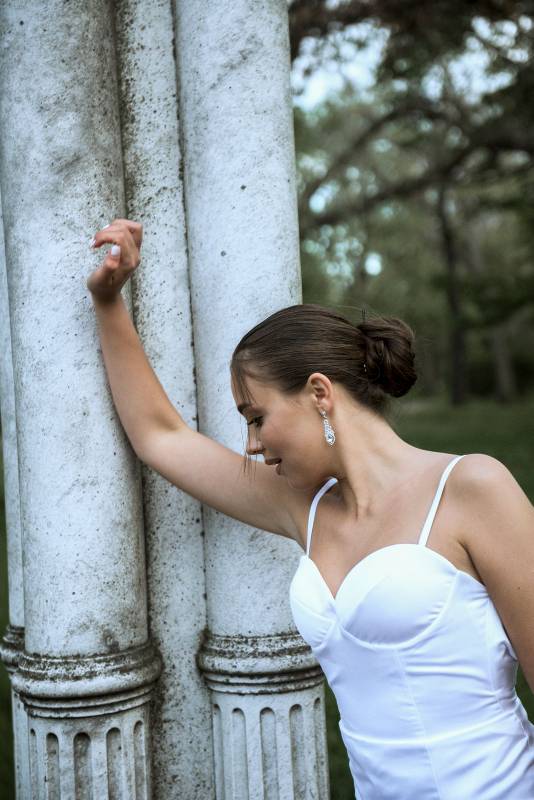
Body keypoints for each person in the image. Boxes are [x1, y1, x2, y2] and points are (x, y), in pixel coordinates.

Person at [87, 218, 534, 799]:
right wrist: (108, 301)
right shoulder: (305, 505)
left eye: (256, 417)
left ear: (320, 393)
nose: (251, 444)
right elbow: (161, 438)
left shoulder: (472, 487)